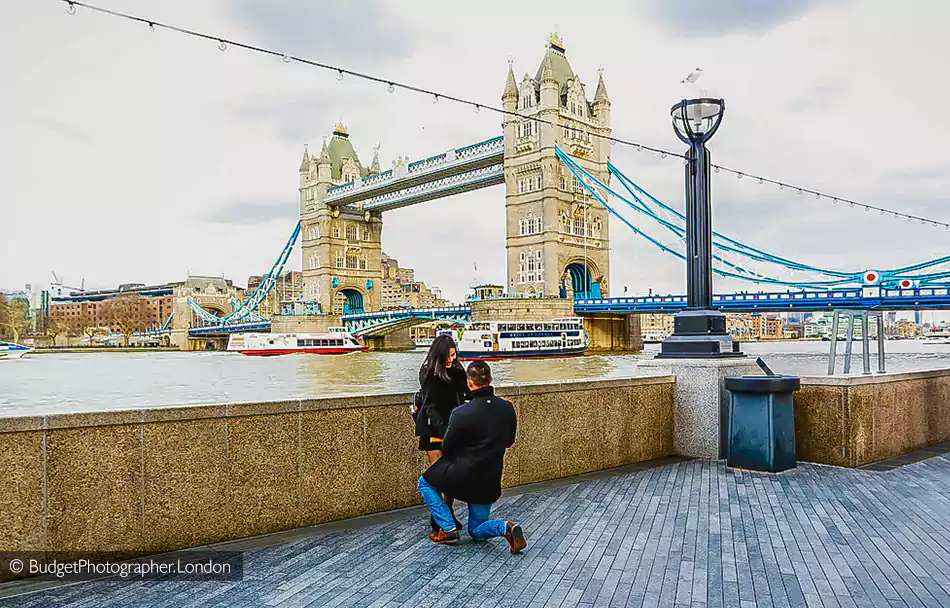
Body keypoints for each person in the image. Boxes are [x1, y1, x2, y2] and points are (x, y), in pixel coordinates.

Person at [417, 360, 527, 554]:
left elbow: (448, 447)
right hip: (489, 477)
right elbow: (509, 441)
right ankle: (506, 527)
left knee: (425, 483)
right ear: (491, 379)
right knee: (477, 530)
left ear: (469, 382)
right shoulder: (507, 408)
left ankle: (448, 528)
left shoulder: (461, 413)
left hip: (461, 474)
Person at [415, 334, 469, 531]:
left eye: (454, 355)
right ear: (438, 354)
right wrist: (444, 433)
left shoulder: (456, 368)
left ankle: (447, 512)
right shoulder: (428, 371)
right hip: (433, 428)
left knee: (451, 476)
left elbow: (465, 392)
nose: (451, 359)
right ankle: (440, 517)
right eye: (447, 356)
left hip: (453, 425)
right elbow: (430, 406)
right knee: (438, 475)